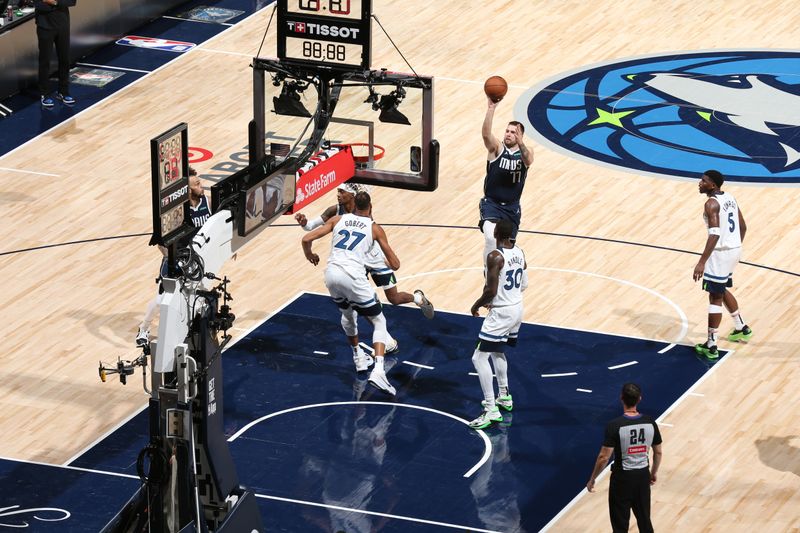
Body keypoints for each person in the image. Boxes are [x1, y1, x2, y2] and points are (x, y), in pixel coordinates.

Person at [295, 182, 435, 347]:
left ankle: (418, 298)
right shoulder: (334, 211)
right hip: (356, 260)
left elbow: (373, 232)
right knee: (365, 303)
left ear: (352, 195)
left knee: (394, 298)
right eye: (338, 191)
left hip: (375, 257)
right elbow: (310, 228)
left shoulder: (363, 208)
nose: (338, 194)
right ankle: (387, 341)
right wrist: (304, 222)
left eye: (341, 191)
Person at [302, 190, 400, 395]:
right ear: (370, 208)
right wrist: (385, 259)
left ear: (354, 206)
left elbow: (306, 238)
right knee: (379, 321)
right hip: (353, 277)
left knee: (347, 314)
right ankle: (379, 371)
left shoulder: (338, 219)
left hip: (331, 275)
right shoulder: (375, 228)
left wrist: (310, 254)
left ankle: (358, 357)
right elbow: (395, 264)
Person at [136, 167, 210, 346]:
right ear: (189, 190)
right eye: (197, 184)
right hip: (176, 260)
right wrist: (172, 259)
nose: (202, 187)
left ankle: (188, 331)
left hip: (196, 261)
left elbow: (214, 225)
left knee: (199, 299)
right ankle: (144, 329)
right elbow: (160, 241)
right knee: (162, 300)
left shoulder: (206, 201)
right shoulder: (178, 212)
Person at [468, 219, 527, 429]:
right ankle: (505, 396)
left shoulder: (495, 256)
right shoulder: (520, 252)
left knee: (478, 357)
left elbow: (490, 291)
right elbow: (525, 284)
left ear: (496, 234)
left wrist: (476, 305)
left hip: (502, 313)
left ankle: (491, 409)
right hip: (517, 308)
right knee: (497, 351)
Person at [586, 383, 663, 533]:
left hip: (622, 480)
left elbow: (603, 457)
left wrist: (592, 479)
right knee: (644, 520)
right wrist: (653, 473)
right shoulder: (650, 422)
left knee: (620, 524)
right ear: (639, 399)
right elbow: (658, 452)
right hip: (642, 477)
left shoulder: (615, 425)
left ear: (621, 398)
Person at [692, 169, 752, 359]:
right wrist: (735, 245)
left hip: (720, 254)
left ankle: (711, 345)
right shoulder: (730, 197)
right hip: (734, 249)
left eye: (703, 181)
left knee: (714, 297)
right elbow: (743, 226)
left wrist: (702, 262)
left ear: (713, 185)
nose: (700, 183)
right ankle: (741, 326)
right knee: (722, 289)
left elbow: (715, 234)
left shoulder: (711, 204)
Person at [478, 97, 534, 265]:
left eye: (513, 132)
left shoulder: (526, 152)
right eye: (507, 131)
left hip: (512, 208)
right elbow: (486, 135)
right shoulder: (497, 149)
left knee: (507, 246)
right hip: (492, 204)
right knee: (490, 237)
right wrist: (491, 109)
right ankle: (489, 274)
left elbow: (528, 160)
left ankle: (501, 275)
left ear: (521, 136)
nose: (509, 134)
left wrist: (521, 143)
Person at [34, 0, 76, 108]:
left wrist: (54, 2)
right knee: (45, 61)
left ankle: (63, 91)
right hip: (45, 26)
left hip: (63, 24)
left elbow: (71, 1)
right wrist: (58, 3)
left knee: (64, 59)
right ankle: (44, 94)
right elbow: (39, 5)